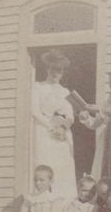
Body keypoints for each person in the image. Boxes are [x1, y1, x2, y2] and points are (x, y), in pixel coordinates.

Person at [31, 49, 77, 198]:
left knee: (62, 167)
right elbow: (34, 111)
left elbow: (70, 115)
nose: (56, 73)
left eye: (60, 70)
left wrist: (63, 127)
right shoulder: (38, 87)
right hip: (45, 131)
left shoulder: (65, 91)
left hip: (61, 134)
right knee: (46, 164)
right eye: (54, 69)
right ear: (48, 68)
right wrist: (51, 126)